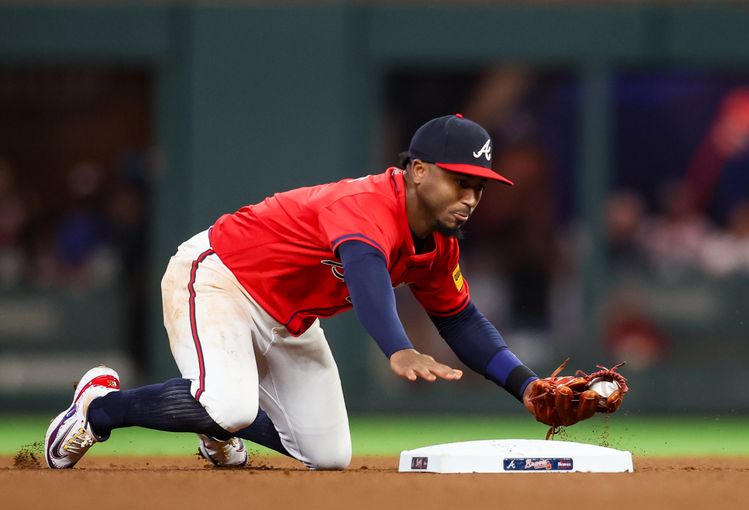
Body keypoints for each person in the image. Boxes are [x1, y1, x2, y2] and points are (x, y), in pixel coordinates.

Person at [45, 114, 542, 470]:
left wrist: (526, 385)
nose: (472, 198)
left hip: (289, 319)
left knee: (329, 456)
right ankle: (99, 407)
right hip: (222, 278)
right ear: (418, 171)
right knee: (230, 406)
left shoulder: (439, 245)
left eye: (480, 187)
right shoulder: (366, 204)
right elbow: (367, 275)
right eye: (461, 181)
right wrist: (398, 347)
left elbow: (459, 319)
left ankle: (215, 426)